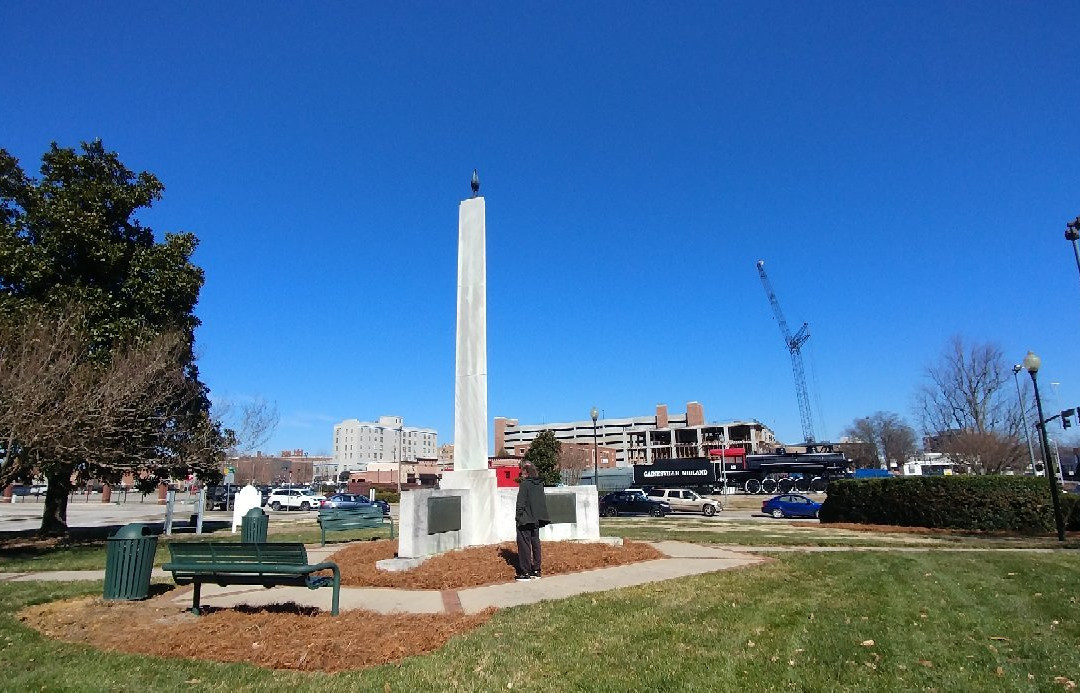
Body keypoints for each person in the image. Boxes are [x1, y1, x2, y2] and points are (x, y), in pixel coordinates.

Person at [514, 461, 550, 581]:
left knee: (524, 545)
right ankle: (536, 569)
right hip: (536, 519)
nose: (521, 474)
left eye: (522, 471)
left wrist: (518, 517)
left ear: (526, 472)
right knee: (535, 544)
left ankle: (525, 572)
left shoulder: (525, 484)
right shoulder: (539, 484)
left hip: (525, 519)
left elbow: (521, 503)